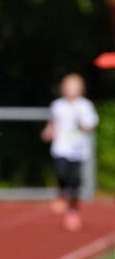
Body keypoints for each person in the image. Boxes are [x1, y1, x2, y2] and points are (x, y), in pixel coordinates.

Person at [41, 73, 99, 231]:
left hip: (79, 149)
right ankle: (61, 192)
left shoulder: (85, 106)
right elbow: (53, 122)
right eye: (68, 86)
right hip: (61, 147)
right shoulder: (58, 105)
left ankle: (72, 211)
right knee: (61, 173)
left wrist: (82, 122)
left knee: (74, 182)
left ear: (81, 89)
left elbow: (91, 126)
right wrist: (48, 131)